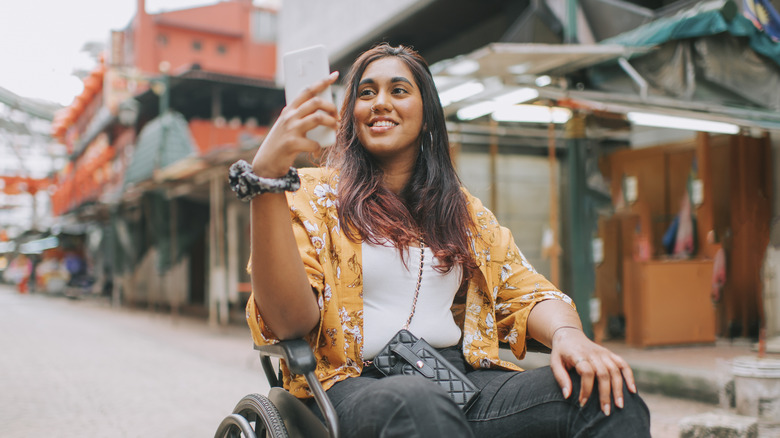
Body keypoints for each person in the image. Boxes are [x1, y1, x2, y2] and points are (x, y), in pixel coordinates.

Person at [241, 43, 650, 437]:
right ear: (351, 113)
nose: (380, 102)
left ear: (427, 113)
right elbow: (289, 322)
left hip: (455, 380)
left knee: (604, 392)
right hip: (348, 385)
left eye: (398, 90)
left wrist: (569, 336)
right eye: (366, 93)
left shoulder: (463, 212)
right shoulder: (310, 196)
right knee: (416, 402)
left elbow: (525, 291)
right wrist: (266, 182)